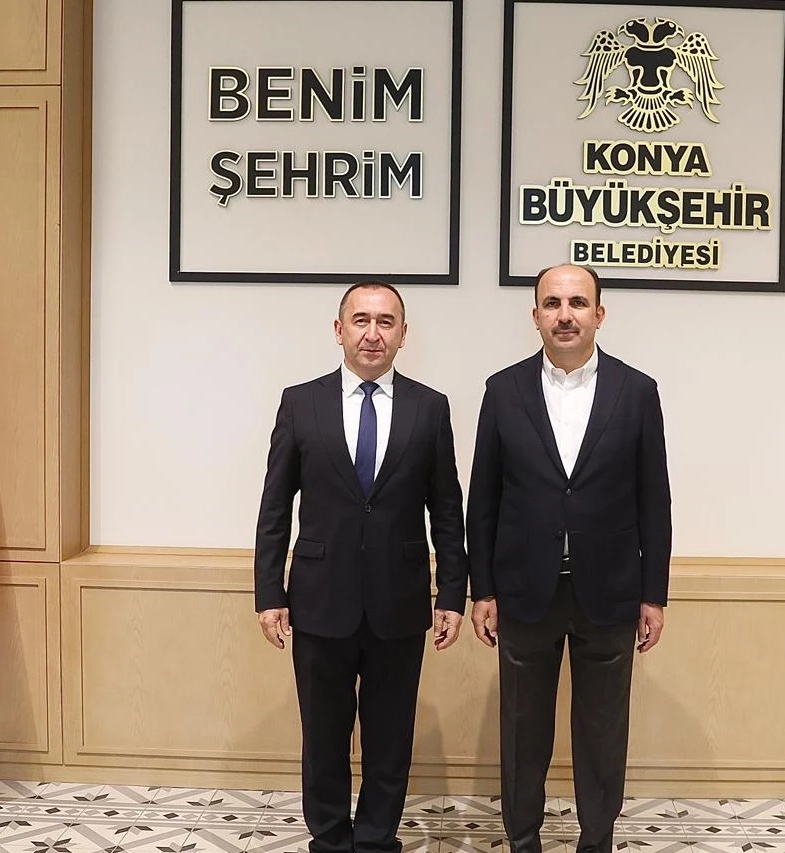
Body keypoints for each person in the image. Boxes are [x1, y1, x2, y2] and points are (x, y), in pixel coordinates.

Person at [254, 281, 468, 853]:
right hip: (319, 600)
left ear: (403, 334)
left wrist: (452, 593)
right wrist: (269, 592)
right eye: (361, 320)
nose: (373, 333)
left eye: (386, 322)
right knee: (323, 737)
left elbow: (448, 509)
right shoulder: (300, 403)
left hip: (400, 602)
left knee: (390, 738)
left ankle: (375, 840)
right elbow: (275, 507)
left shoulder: (430, 407)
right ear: (339, 329)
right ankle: (328, 839)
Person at [466, 264, 672, 853]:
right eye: (552, 304)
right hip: (523, 590)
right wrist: (483, 588)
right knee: (521, 731)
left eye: (578, 303)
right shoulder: (503, 390)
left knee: (603, 733)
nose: (565, 315)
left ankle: (596, 841)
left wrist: (653, 594)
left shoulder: (637, 391)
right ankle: (522, 841)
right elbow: (484, 499)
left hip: (609, 591)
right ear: (535, 315)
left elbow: (654, 500)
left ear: (599, 314)